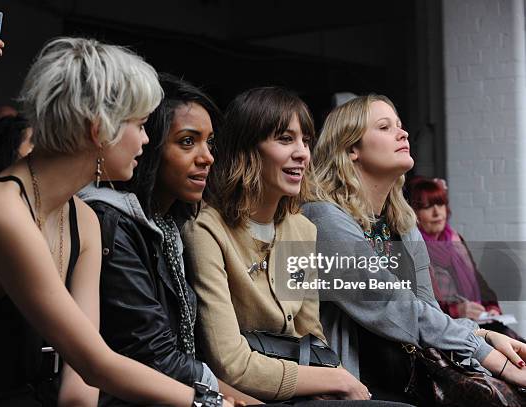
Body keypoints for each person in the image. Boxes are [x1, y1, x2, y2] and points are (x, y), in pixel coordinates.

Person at [0, 37, 231, 407]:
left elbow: (79, 389)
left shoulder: (84, 218)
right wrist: (209, 402)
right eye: (141, 124)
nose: (146, 140)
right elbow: (95, 363)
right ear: (99, 129)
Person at [182, 87, 411, 406]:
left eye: (305, 140)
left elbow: (309, 334)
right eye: (285, 139)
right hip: (241, 396)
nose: (303, 152)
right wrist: (333, 378)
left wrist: (329, 378)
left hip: (303, 389)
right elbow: (231, 364)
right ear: (247, 149)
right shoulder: (207, 231)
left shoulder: (299, 228)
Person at [303, 94, 526, 403]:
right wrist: (493, 359)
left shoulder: (403, 223)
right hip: (359, 386)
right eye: (384, 127)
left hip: (413, 376)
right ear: (351, 149)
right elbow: (392, 306)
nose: (403, 133)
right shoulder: (323, 218)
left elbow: (428, 313)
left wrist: (486, 337)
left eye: (400, 125)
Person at [80, 74, 260, 406]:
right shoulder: (115, 221)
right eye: (188, 142)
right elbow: (155, 353)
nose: (208, 157)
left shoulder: (170, 222)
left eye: (210, 142)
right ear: (148, 145)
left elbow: (303, 325)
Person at [407, 176, 524, 341]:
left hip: (478, 324)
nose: (437, 212)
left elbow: (478, 281)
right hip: (445, 332)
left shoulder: (455, 240)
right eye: (427, 207)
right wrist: (456, 311)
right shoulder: (412, 247)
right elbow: (417, 303)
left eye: (440, 204)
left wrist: (491, 308)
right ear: (414, 213)